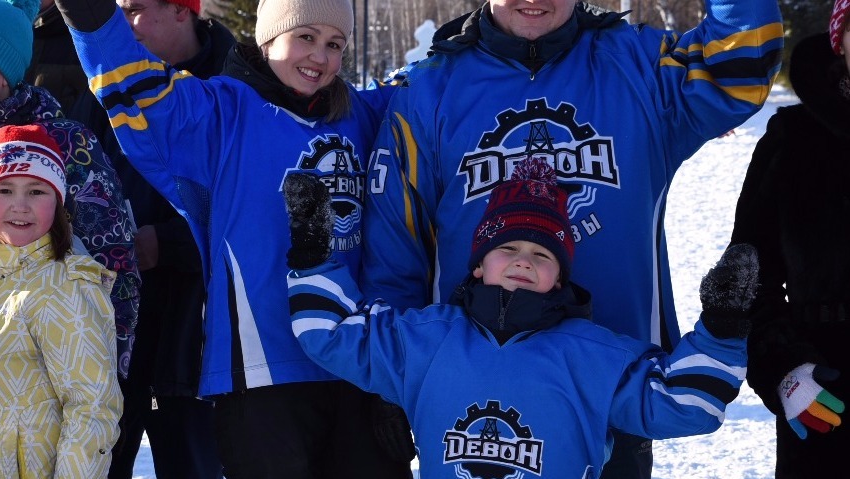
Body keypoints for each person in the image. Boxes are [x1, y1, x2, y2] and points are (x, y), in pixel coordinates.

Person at [360, 1, 783, 475]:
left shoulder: (641, 65)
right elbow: (396, 249)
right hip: (466, 391)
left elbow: (743, 61)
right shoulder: (428, 87)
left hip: (620, 388)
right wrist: (388, 385)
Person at [52, 0, 411, 476]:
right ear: (268, 39)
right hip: (261, 376)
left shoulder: (363, 115)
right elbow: (130, 79)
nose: (320, 56)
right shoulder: (220, 113)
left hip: (357, 366)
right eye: (305, 37)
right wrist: (88, 12)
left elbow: (437, 88)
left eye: (335, 44)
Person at [284, 157, 759, 479]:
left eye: (542, 254)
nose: (523, 261)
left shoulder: (593, 355)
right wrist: (311, 254)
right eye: (507, 248)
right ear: (478, 265)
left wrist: (722, 325)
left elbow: (686, 405)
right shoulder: (424, 340)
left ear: (559, 278)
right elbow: (331, 334)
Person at [56, 0, 236, 477]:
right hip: (115, 334)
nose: (121, 23)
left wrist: (169, 244)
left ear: (181, 10)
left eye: (133, 10)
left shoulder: (236, 87)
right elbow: (70, 179)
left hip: (198, 345)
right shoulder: (109, 82)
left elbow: (256, 211)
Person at [728, 1, 850, 476]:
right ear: (840, 39)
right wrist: (786, 371)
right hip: (827, 403)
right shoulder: (793, 139)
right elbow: (745, 276)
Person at [0, 0, 141, 382]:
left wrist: (105, 374)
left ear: (4, 75)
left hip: (50, 378)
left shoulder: (65, 145)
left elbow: (113, 263)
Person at [0, 123, 123, 478]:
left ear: (59, 202)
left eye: (37, 191)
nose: (19, 205)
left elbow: (92, 407)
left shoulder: (65, 285)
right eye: (4, 189)